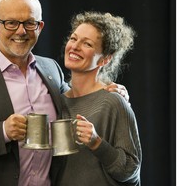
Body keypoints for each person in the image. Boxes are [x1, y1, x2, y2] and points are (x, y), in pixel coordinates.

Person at [0, 0, 130, 186]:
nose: (21, 31)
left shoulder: (51, 69)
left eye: (29, 23)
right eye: (11, 23)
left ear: (40, 27)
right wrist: (2, 131)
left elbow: (76, 97)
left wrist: (112, 89)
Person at [53, 11, 142, 186]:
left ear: (105, 60)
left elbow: (130, 171)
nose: (75, 46)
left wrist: (96, 142)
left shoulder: (113, 102)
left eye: (87, 43)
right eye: (73, 39)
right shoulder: (57, 102)